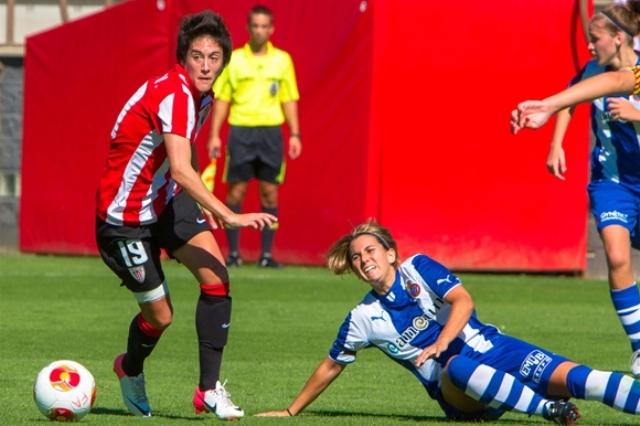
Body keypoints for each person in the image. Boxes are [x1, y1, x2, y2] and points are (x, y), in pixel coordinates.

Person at [256, 221, 640, 424]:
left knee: (582, 379)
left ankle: (560, 399)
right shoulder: (363, 318)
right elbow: (331, 364)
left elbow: (463, 300)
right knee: (456, 366)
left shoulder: (419, 267)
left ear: (390, 253)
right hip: (458, 391)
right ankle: (549, 411)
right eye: (356, 257)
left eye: (370, 250)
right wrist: (292, 411)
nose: (363, 259)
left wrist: (441, 341)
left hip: (497, 349)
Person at [95, 11, 277, 420]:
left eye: (214, 57)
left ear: (224, 60)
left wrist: (197, 202)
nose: (207, 65)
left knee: (217, 278)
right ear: (183, 58)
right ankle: (129, 368)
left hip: (165, 200)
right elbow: (180, 166)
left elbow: (179, 164)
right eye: (197, 56)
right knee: (160, 316)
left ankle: (208, 392)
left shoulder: (203, 96)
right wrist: (225, 212)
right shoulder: (175, 94)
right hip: (123, 218)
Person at [514, 1, 640, 377]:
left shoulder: (633, 69)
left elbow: (621, 80)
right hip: (613, 183)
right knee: (616, 256)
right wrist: (553, 127)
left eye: (594, 39)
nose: (589, 46)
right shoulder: (594, 70)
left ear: (619, 38)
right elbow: (586, 91)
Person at [207, 4, 301, 268]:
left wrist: (295, 134)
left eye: (264, 26)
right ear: (248, 28)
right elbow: (223, 98)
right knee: (235, 191)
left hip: (271, 132)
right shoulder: (234, 59)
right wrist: (214, 135)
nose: (259, 30)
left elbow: (289, 98)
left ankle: (266, 255)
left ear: (271, 29)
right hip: (241, 131)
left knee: (270, 193)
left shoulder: (282, 60)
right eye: (255, 26)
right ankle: (233, 253)